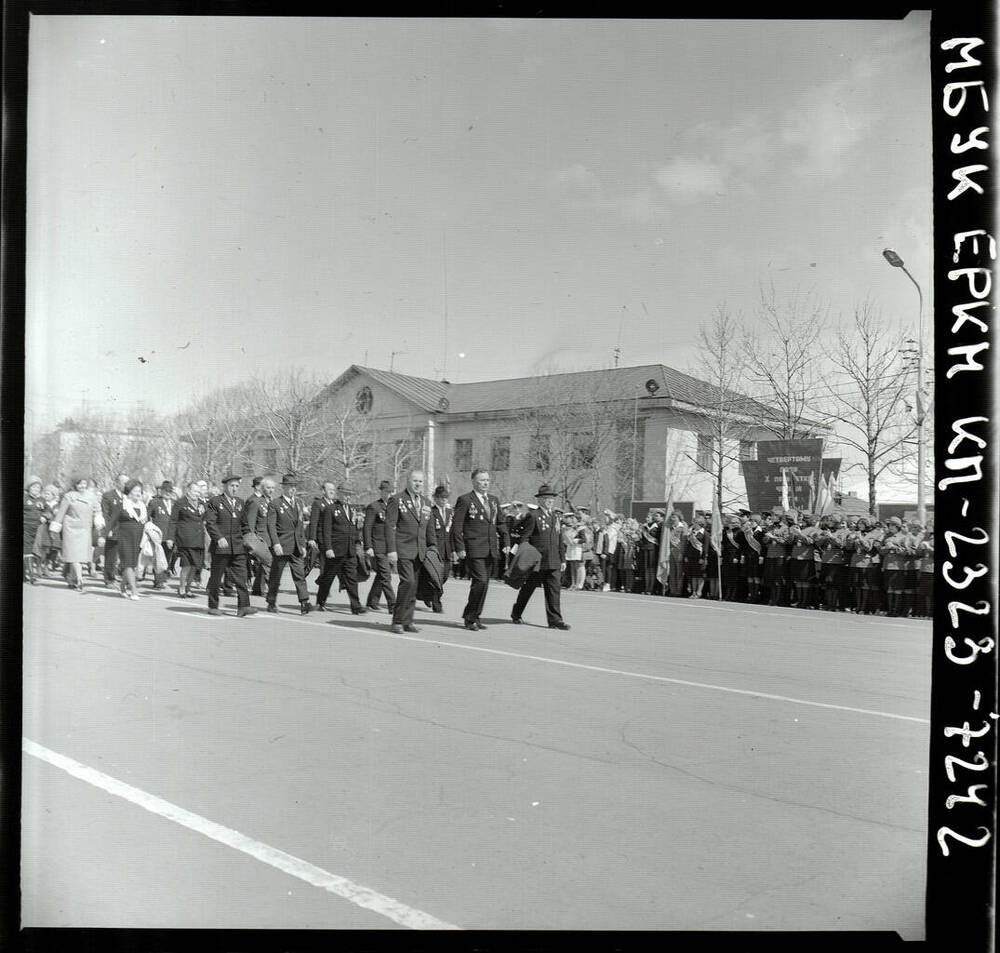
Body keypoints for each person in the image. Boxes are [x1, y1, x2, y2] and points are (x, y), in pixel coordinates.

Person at [451, 469, 509, 631]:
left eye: (487, 480)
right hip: (474, 548)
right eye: (482, 480)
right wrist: (460, 547)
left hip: (491, 548)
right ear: (474, 482)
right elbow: (457, 527)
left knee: (484, 584)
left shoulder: (493, 500)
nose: (485, 483)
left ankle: (475, 616)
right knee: (481, 581)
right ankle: (469, 617)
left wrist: (506, 541)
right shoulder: (465, 500)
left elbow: (501, 523)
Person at [510, 484, 570, 630]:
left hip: (554, 559)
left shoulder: (556, 516)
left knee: (554, 591)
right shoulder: (533, 516)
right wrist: (524, 556)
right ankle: (516, 612)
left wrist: (563, 559)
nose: (550, 501)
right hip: (538, 560)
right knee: (528, 589)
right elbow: (525, 537)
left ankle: (555, 620)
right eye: (547, 498)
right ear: (540, 500)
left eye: (552, 498)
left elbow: (559, 539)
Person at [385, 469, 438, 634]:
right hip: (403, 549)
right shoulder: (397, 499)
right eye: (415, 481)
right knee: (407, 582)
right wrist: (391, 550)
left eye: (421, 481)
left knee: (414, 586)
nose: (418, 484)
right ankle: (397, 620)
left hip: (420, 551)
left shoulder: (426, 502)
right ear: (408, 481)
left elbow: (429, 528)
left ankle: (408, 621)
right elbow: (389, 526)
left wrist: (433, 547)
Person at [202, 475, 256, 617]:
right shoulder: (215, 501)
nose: (234, 489)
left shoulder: (240, 502)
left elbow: (244, 524)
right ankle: (213, 606)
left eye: (237, 486)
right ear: (225, 486)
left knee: (241, 576)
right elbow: (210, 523)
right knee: (216, 577)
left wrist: (250, 539)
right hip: (221, 546)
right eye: (232, 486)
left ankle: (243, 606)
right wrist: (218, 537)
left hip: (238, 546)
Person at [314, 481, 366, 614]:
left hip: (349, 550)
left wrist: (357, 543)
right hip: (336, 550)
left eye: (350, 495)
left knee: (351, 578)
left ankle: (356, 606)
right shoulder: (331, 509)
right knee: (328, 577)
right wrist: (328, 548)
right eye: (346, 494)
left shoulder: (352, 509)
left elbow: (353, 528)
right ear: (339, 494)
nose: (348, 497)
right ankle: (321, 601)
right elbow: (326, 531)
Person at [265, 473, 313, 614]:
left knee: (300, 575)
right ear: (284, 487)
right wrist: (276, 543)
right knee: (276, 575)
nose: (293, 489)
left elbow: (299, 526)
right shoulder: (275, 504)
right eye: (290, 486)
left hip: (296, 545)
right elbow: (271, 526)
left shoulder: (298, 503)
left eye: (294, 487)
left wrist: (303, 544)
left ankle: (304, 602)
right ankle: (271, 601)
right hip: (282, 545)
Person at [49, 477, 98, 591]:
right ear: (75, 485)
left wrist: (99, 521)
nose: (82, 486)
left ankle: (72, 579)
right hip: (71, 528)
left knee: (77, 556)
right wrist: (55, 528)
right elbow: (61, 512)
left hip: (85, 529)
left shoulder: (91, 496)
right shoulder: (69, 496)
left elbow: (97, 510)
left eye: (84, 484)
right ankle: (80, 580)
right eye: (80, 484)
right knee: (74, 555)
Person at [103, 479, 148, 599]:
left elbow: (145, 522)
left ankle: (123, 587)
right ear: (129, 491)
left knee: (132, 565)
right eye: (135, 490)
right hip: (124, 537)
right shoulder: (122, 504)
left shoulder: (142, 506)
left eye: (140, 491)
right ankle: (134, 591)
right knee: (128, 564)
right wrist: (103, 536)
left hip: (138, 538)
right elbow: (111, 522)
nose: (138, 493)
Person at [363, 480, 396, 613]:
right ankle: (393, 605)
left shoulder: (394, 507)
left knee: (381, 575)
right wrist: (368, 546)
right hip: (378, 546)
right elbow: (367, 527)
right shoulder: (374, 506)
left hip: (390, 547)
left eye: (390, 492)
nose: (388, 494)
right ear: (381, 491)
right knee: (386, 575)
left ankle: (372, 601)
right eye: (386, 492)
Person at [170, 480, 207, 598]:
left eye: (198, 491)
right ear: (188, 490)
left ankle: (188, 588)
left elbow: (206, 518)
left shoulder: (202, 504)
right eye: (195, 491)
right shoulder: (180, 503)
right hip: (185, 539)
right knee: (186, 565)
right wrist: (170, 538)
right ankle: (181, 588)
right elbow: (173, 521)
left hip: (198, 539)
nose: (197, 493)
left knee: (195, 566)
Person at [242, 475, 274, 596]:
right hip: (259, 538)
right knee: (268, 562)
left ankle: (258, 588)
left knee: (264, 564)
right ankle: (270, 589)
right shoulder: (255, 502)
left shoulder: (270, 501)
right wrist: (252, 541)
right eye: (267, 487)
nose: (270, 490)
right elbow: (250, 523)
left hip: (270, 538)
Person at [427, 485, 453, 613]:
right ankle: (436, 602)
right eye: (441, 498)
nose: (444, 500)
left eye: (446, 498)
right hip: (436, 549)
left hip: (447, 549)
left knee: (445, 576)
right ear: (436, 498)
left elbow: (452, 531)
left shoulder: (449, 512)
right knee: (436, 576)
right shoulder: (432, 512)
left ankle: (430, 595)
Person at [146, 480, 176, 590]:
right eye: (166, 490)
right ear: (161, 491)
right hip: (158, 537)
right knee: (158, 559)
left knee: (167, 560)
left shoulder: (174, 503)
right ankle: (158, 581)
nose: (168, 492)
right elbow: (147, 516)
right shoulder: (155, 502)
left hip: (170, 537)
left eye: (170, 491)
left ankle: (163, 580)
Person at [100, 472, 129, 587]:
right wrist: (108, 529)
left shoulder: (128, 496)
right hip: (113, 530)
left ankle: (123, 578)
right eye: (124, 483)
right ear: (117, 483)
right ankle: (109, 579)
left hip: (126, 531)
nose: (126, 485)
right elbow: (105, 514)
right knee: (111, 555)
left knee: (125, 556)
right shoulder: (108, 496)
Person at [23, 476, 47, 584]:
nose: (36, 490)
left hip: (37, 529)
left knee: (33, 551)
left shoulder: (41, 500)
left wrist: (45, 516)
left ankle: (25, 574)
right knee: (27, 550)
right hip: (25, 528)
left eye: (38, 488)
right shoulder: (24, 498)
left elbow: (49, 511)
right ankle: (31, 576)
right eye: (34, 487)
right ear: (29, 487)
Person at [683, 513, 708, 598]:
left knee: (700, 575)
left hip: (699, 557)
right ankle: (693, 592)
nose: (694, 524)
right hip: (691, 556)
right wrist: (686, 555)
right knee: (693, 575)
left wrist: (703, 558)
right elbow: (688, 544)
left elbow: (706, 547)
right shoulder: (692, 532)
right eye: (694, 522)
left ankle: (699, 592)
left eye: (695, 522)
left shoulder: (705, 533)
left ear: (700, 523)